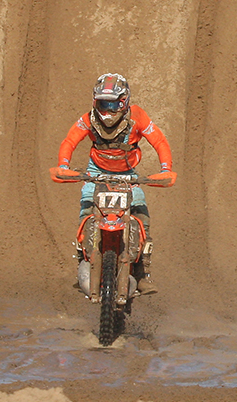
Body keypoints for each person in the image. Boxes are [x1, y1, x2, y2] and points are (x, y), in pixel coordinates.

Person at [53, 73, 175, 295]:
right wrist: (63, 165)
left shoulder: (137, 116)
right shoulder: (89, 119)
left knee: (141, 214)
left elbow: (158, 140)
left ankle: (142, 273)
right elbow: (70, 140)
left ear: (124, 101)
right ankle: (84, 258)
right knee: (86, 209)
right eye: (103, 104)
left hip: (127, 175)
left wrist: (165, 168)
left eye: (113, 104)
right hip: (95, 173)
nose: (107, 110)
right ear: (95, 102)